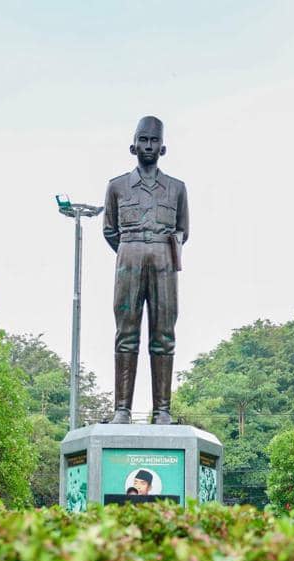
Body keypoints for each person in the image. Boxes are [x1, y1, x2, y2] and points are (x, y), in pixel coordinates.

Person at [102, 116, 190, 425]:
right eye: (144, 140)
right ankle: (122, 409)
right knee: (126, 334)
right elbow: (110, 230)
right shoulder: (117, 187)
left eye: (154, 141)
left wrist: (157, 251)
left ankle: (162, 411)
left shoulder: (177, 189)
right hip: (129, 256)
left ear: (163, 148)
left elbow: (183, 230)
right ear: (133, 146)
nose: (149, 146)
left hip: (164, 260)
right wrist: (134, 251)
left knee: (164, 334)